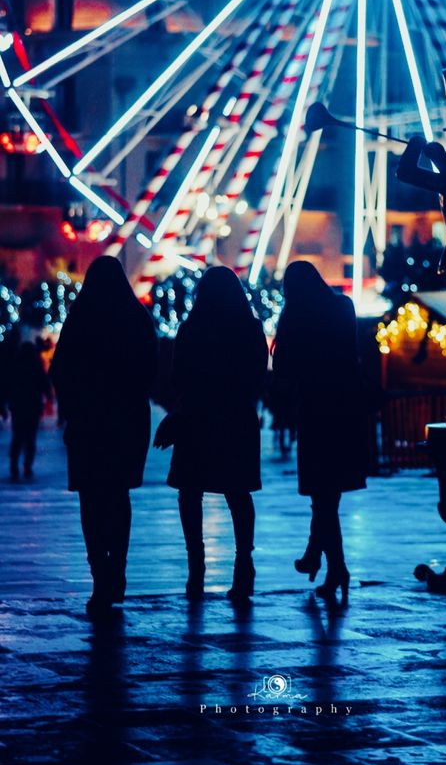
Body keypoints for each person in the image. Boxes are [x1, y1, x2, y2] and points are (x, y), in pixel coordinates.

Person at [50, 256, 158, 618]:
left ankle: (100, 573)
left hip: (89, 422)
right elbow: (153, 369)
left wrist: (74, 405)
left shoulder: (81, 320)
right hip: (128, 421)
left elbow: (60, 369)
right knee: (119, 496)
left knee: (91, 500)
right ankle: (118, 566)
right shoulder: (136, 319)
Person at [156, 266, 268, 605]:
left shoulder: (193, 328)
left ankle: (196, 567)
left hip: (197, 418)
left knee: (190, 493)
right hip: (237, 418)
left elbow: (177, 377)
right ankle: (243, 563)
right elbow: (258, 377)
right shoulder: (250, 328)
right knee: (238, 493)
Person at [272, 261, 366, 603]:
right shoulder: (343, 307)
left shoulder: (296, 315)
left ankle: (334, 565)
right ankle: (322, 559)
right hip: (345, 410)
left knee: (322, 496)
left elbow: (282, 368)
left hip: (314, 410)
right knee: (329, 496)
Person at [8, 340, 49, 480]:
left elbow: (7, 385)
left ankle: (14, 464)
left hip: (18, 405)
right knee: (30, 438)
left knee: (17, 437)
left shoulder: (15, 366)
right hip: (33, 405)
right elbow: (44, 383)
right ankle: (27, 466)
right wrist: (48, 395)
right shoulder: (36, 365)